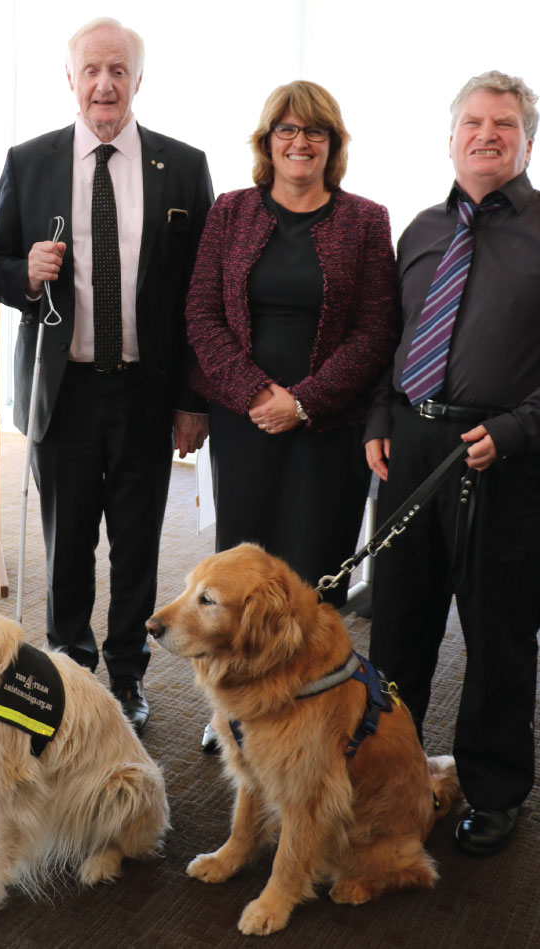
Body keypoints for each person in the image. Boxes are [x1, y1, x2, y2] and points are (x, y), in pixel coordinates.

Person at [0, 17, 213, 735]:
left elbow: (204, 293)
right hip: (66, 390)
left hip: (145, 389)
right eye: (92, 71)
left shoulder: (183, 163)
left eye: (119, 71)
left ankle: (130, 675)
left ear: (137, 81)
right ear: (71, 79)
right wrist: (25, 274)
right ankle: (69, 671)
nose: (104, 84)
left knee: (138, 542)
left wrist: (192, 398)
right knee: (68, 540)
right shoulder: (31, 160)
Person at [365, 71, 540, 857]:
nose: (487, 134)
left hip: (501, 456)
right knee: (398, 622)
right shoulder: (423, 229)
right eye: (474, 121)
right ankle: (386, 776)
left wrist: (517, 429)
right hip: (412, 446)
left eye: (505, 123)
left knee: (497, 633)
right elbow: (393, 337)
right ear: (451, 137)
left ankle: (495, 787)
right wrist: (379, 416)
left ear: (526, 140)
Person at [186, 81, 396, 603]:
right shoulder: (230, 211)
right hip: (245, 422)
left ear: (333, 142)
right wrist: (258, 395)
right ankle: (243, 685)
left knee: (314, 577)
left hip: (328, 426)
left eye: (315, 130)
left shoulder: (367, 220)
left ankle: (313, 684)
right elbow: (202, 315)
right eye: (287, 128)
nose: (300, 141)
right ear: (268, 140)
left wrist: (302, 403)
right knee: (241, 578)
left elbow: (375, 332)